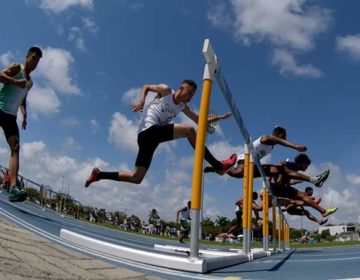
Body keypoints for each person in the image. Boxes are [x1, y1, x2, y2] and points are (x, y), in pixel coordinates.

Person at [85, 80, 237, 187]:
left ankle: (99, 175)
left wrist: (219, 118)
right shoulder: (166, 91)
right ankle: (218, 165)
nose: (190, 97)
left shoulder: (182, 106)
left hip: (151, 139)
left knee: (136, 178)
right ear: (181, 88)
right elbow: (146, 86)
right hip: (147, 131)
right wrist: (142, 101)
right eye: (189, 92)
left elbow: (200, 120)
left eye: (193, 95)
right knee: (189, 131)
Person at [205, 126, 329, 188]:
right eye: (283, 136)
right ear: (277, 134)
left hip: (255, 165)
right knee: (238, 173)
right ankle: (220, 167)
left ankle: (314, 180)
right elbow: (279, 141)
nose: (284, 138)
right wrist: (295, 146)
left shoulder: (271, 147)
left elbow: (279, 142)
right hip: (246, 158)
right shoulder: (267, 138)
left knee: (238, 174)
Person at [0, 46, 42, 202]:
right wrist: (15, 81)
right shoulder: (17, 67)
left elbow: (23, 96)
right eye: (33, 59)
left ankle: (13, 189)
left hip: (11, 117)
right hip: (0, 108)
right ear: (27, 57)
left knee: (16, 148)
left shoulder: (30, 82)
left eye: (37, 61)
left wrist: (24, 113)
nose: (35, 63)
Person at [270, 154, 337, 218]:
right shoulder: (293, 165)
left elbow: (286, 178)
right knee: (302, 196)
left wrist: (294, 182)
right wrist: (279, 177)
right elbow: (280, 163)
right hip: (276, 187)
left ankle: (323, 211)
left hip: (279, 188)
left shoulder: (294, 169)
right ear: (302, 163)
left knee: (302, 196)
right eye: (306, 165)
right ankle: (322, 210)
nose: (307, 167)